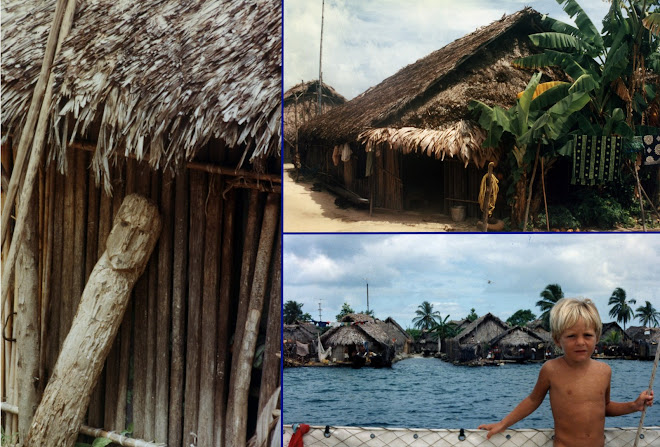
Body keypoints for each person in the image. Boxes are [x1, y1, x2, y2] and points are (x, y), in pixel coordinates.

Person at [478, 298, 653, 447]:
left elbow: (604, 407)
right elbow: (532, 400)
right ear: (557, 340)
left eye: (587, 335)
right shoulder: (551, 369)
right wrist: (503, 423)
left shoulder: (604, 371)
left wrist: (634, 405)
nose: (580, 342)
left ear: (597, 337)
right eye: (571, 336)